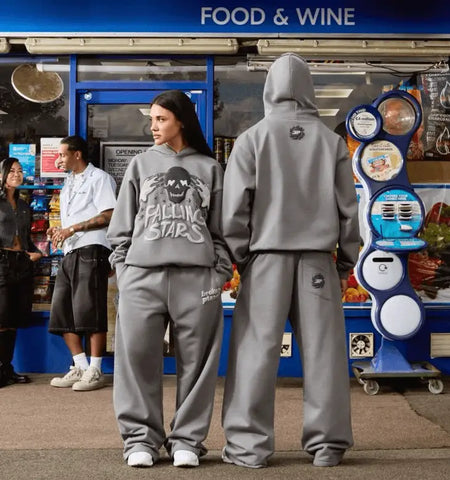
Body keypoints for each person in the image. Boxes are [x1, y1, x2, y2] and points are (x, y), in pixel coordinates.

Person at [221, 53, 360, 468]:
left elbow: (234, 212)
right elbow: (349, 211)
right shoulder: (332, 142)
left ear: (270, 88)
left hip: (265, 259)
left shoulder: (252, 139)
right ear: (308, 88)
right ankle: (327, 446)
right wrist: (344, 261)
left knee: (255, 352)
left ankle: (249, 449)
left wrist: (242, 259)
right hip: (319, 260)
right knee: (324, 353)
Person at [107, 90, 232, 469]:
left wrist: (219, 270)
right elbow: (121, 229)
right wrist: (125, 272)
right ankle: (140, 440)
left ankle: (187, 441)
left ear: (181, 120)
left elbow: (223, 231)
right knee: (136, 361)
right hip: (142, 277)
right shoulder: (141, 165)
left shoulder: (211, 169)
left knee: (198, 364)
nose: (153, 126)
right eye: (152, 119)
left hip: (198, 280)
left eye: (160, 119)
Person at [47, 135, 116, 392]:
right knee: (62, 312)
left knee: (91, 310)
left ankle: (96, 370)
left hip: (92, 249)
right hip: (69, 251)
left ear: (77, 154)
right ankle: (80, 366)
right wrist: (58, 231)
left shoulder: (100, 178)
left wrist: (73, 228)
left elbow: (109, 214)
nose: (59, 159)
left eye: (63, 154)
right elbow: (69, 221)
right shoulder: (68, 184)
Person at [0, 158, 43, 388]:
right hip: (2, 262)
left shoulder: (24, 205)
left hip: (21, 262)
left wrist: (35, 253)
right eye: (12, 171)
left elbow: (26, 239)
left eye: (19, 170)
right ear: (3, 174)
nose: (16, 174)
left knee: (14, 318)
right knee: (2, 316)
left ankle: (7, 368)